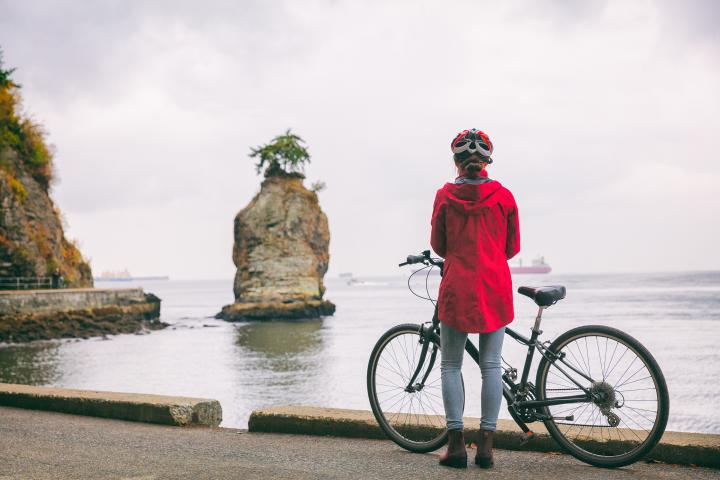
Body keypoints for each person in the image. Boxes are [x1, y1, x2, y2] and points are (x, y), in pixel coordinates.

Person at [430, 128, 520, 469]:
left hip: (457, 287)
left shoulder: (444, 195)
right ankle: (486, 447)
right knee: (491, 365)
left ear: (456, 161)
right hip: (494, 286)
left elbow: (439, 245)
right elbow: (512, 247)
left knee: (451, 364)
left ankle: (455, 447)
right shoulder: (504, 196)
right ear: (487, 162)